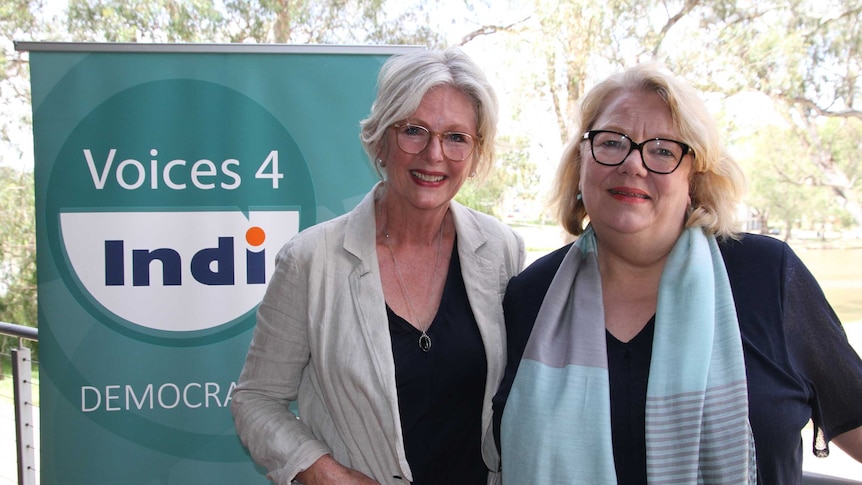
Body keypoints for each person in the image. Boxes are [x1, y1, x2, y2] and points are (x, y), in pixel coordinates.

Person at [492, 62, 862, 484]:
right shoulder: (531, 296)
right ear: (581, 161)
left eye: (663, 150)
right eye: (612, 142)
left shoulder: (769, 277)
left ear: (695, 177)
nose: (633, 164)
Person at [231, 46, 525, 485]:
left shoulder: (502, 251)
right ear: (381, 140)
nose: (433, 154)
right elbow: (255, 399)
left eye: (456, 137)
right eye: (414, 131)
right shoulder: (311, 261)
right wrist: (323, 473)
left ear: (476, 153)